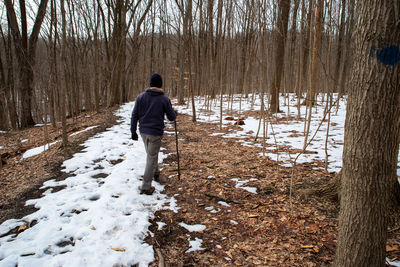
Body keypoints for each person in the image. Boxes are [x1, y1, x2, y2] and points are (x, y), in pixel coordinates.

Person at [131, 73, 176, 195]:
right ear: (160, 85)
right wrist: (174, 112)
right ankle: (146, 186)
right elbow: (171, 118)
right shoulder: (164, 99)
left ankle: (156, 173)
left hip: (143, 132)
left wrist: (133, 131)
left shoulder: (141, 97)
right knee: (151, 157)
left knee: (151, 154)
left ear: (150, 84)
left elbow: (134, 115)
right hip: (155, 133)